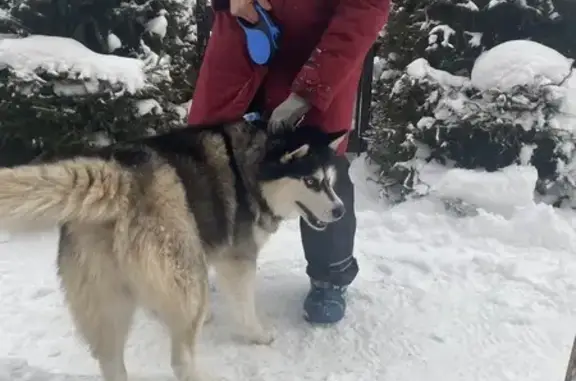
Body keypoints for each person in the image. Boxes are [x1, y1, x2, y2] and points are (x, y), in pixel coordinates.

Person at [188, 0, 391, 324]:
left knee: (322, 172)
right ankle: (190, 266)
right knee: (208, 163)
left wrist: (308, 91)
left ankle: (330, 275)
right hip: (242, 49)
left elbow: (364, 10)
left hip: (317, 59)